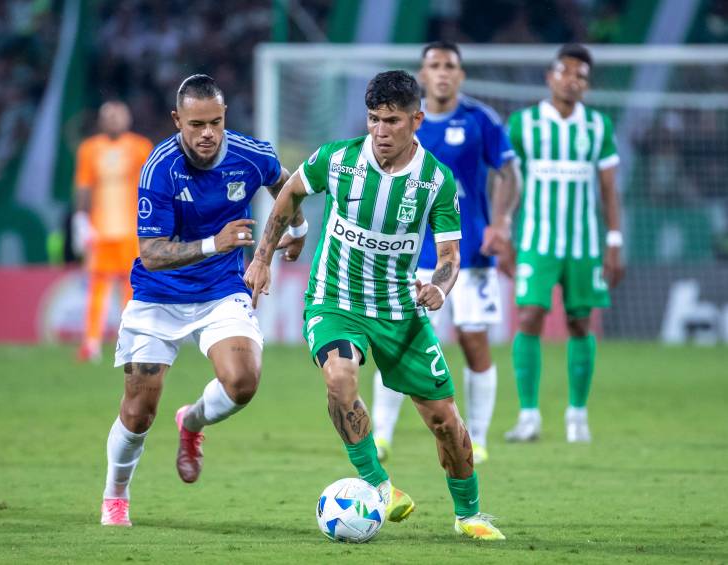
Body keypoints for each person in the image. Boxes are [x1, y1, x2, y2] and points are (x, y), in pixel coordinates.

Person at [245, 70, 505, 540]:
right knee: (340, 379)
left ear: (416, 121)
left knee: (444, 420)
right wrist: (263, 258)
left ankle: (468, 514)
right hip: (334, 298)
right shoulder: (339, 159)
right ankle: (378, 487)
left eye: (391, 121)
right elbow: (290, 193)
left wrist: (440, 289)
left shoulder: (435, 182)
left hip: (399, 310)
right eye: (373, 119)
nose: (380, 131)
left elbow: (449, 257)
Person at [99, 74, 306, 527]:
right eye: (196, 124)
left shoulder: (252, 154)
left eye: (215, 122)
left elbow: (287, 184)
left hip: (220, 291)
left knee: (243, 382)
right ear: (178, 121)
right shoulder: (160, 167)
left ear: (225, 117)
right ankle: (116, 495)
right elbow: (152, 256)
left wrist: (297, 230)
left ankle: (191, 422)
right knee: (138, 413)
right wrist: (217, 242)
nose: (207, 133)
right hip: (159, 297)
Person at [371, 41, 519, 465]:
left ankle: (481, 436)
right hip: (411, 254)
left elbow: (509, 173)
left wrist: (502, 223)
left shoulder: (480, 120)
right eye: (434, 65)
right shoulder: (404, 123)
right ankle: (382, 435)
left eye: (450, 65)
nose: (442, 72)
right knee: (397, 342)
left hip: (469, 252)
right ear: (422, 72)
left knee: (474, 343)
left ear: (460, 74)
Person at [504, 44, 624, 443]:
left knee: (579, 322)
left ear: (587, 86)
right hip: (537, 241)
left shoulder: (598, 127)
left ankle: (577, 415)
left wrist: (614, 241)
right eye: (566, 72)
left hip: (584, 243)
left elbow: (609, 189)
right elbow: (507, 181)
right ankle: (529, 416)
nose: (573, 81)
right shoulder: (524, 123)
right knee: (529, 317)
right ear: (550, 76)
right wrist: (501, 228)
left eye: (582, 77)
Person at [72, 101, 153, 362]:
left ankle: (131, 340)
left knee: (132, 288)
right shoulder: (89, 149)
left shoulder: (141, 147)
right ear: (101, 120)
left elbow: (151, 187)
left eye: (118, 115)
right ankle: (91, 343)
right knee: (97, 287)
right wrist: (81, 219)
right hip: (101, 231)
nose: (114, 120)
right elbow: (83, 186)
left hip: (132, 231)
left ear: (127, 119)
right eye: (108, 116)